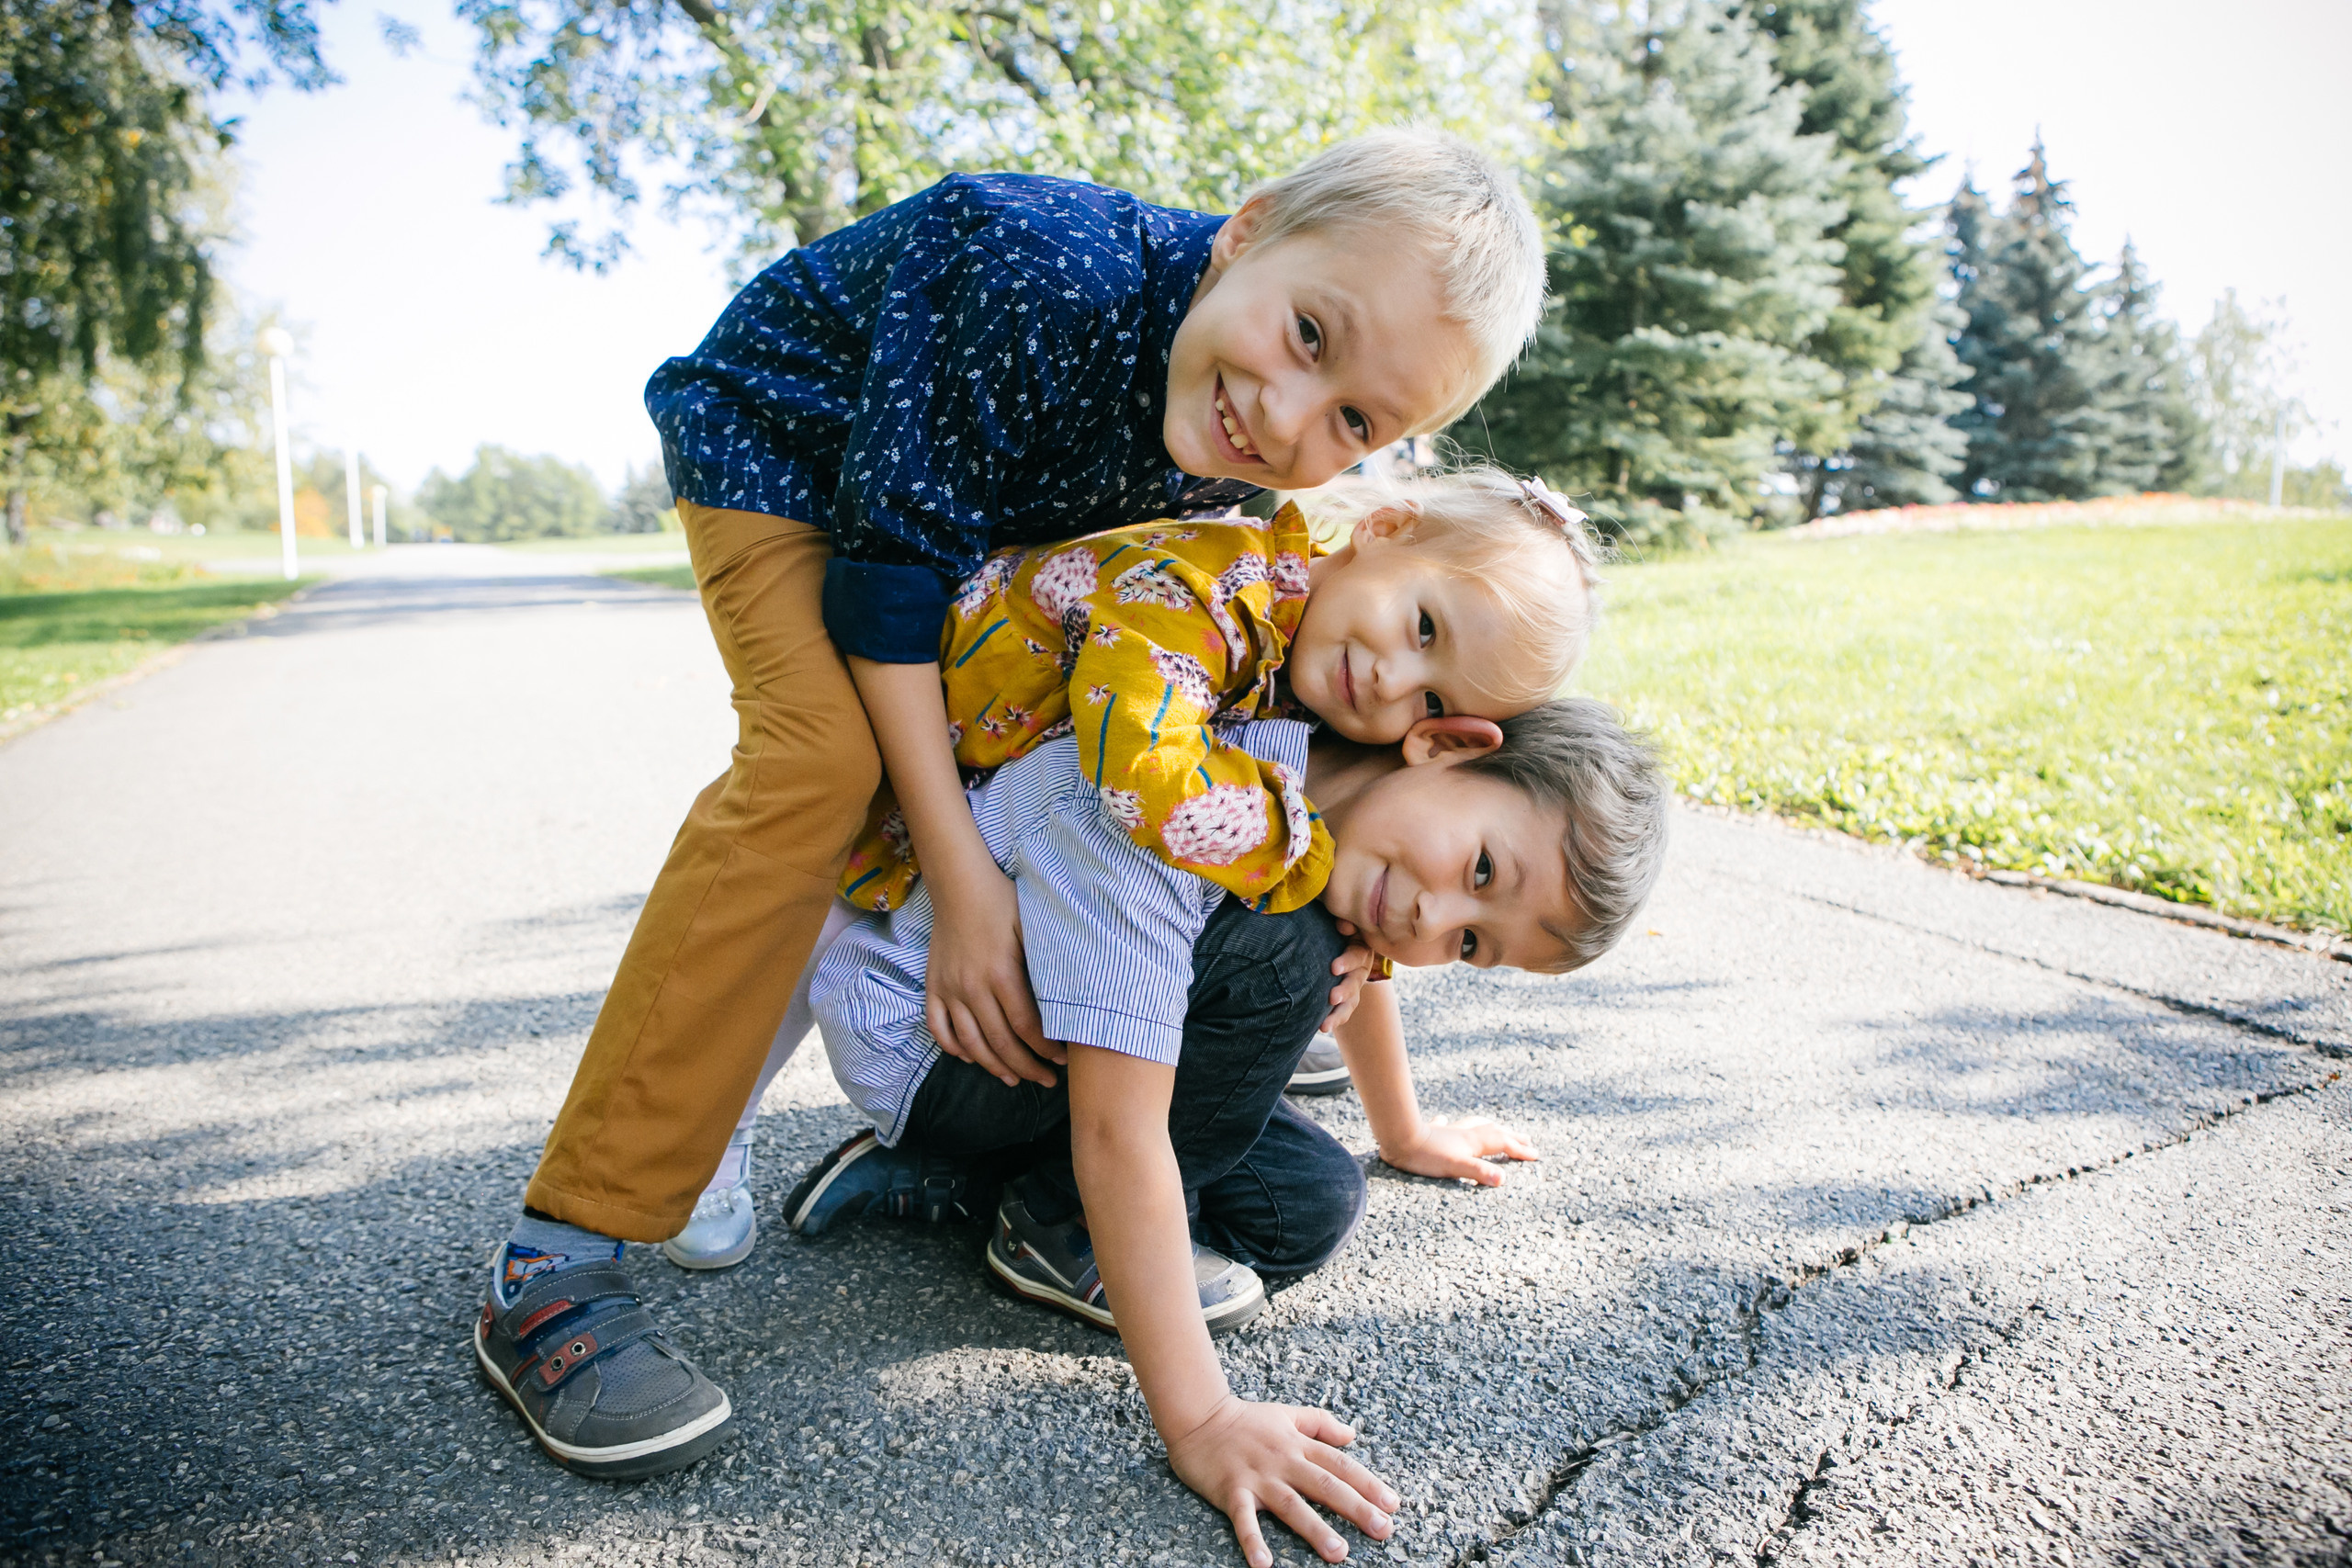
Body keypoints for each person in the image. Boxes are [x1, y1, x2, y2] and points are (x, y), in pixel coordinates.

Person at [472, 130, 1549, 1481]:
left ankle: (970, 1152)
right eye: (1310, 333)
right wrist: (966, 888)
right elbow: (889, 584)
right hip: (794, 455)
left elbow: (1291, 752)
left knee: (1044, 752)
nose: (1287, 418)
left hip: (985, 513)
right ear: (1249, 227)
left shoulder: (1250, 463)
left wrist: (1396, 1115)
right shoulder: (1034, 265)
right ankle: (558, 1255)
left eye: (1354, 421)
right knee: (824, 766)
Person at [797, 700, 1668, 1567]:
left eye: (1471, 942)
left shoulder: (1338, 820)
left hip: (1054, 1036)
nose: (1430, 921)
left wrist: (1401, 1133)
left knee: (1310, 1204)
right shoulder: (1191, 795)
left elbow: (1365, 945)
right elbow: (1118, 1128)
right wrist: (1203, 1420)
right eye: (1481, 870)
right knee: (1287, 958)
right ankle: (1052, 1219)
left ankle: (972, 1181)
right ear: (1442, 746)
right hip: (936, 1037)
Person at [662, 467, 1603, 1268]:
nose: (1394, 682)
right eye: (1425, 626)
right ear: (1384, 529)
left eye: (1432, 693)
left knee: (1304, 1185)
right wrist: (1306, 870)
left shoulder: (1335, 679)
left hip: (1017, 807)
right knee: (812, 904)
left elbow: (1366, 864)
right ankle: (702, 1142)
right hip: (923, 745)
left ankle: (963, 1178)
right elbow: (1144, 776)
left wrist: (1400, 1128)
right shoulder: (1201, 588)